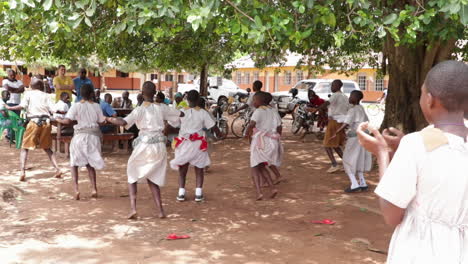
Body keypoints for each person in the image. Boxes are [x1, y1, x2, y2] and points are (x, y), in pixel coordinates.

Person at [356, 60, 468, 264]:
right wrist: (401, 150)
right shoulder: (426, 143)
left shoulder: (416, 145)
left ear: (430, 100)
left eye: (421, 93)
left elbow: (391, 214)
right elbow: (446, 162)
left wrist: (382, 153)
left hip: (422, 252)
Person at [106, 81, 183, 219]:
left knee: (132, 173)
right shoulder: (162, 108)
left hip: (145, 145)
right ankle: (160, 211)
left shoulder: (139, 110)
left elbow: (123, 122)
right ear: (155, 93)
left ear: (142, 93)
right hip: (159, 147)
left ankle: (133, 208)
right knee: (152, 178)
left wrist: (108, 119)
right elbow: (180, 114)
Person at [169, 90, 223, 202]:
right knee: (199, 169)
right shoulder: (203, 112)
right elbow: (213, 127)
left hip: (183, 143)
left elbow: (171, 124)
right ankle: (198, 194)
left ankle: (181, 193)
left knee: (182, 169)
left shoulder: (182, 111)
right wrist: (219, 134)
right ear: (198, 99)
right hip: (198, 144)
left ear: (186, 99)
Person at [5, 79, 61, 182]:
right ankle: (57, 169)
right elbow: (54, 110)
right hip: (46, 123)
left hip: (34, 122)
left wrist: (9, 107)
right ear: (40, 86)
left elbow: (22, 106)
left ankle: (22, 172)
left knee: (25, 148)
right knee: (47, 148)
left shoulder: (28, 94)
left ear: (31, 86)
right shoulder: (46, 95)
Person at [56, 84, 105, 200]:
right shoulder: (97, 106)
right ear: (92, 94)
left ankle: (76, 189)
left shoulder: (76, 106)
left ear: (79, 94)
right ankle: (94, 188)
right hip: (93, 137)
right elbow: (102, 122)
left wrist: (58, 119)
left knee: (74, 164)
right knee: (90, 164)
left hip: (79, 137)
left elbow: (67, 121)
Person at [331, 90, 371, 193]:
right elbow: (366, 121)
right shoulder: (361, 108)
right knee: (359, 159)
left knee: (347, 159)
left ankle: (354, 184)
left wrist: (337, 132)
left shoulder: (352, 110)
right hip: (363, 137)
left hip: (355, 138)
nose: (349, 98)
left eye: (351, 96)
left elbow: (346, 123)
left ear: (355, 98)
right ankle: (363, 182)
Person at [245, 91, 282, 200]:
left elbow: (252, 124)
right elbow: (279, 127)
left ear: (260, 101)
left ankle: (259, 192)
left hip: (261, 141)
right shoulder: (273, 111)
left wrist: (247, 133)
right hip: (272, 141)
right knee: (261, 166)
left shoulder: (258, 111)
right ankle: (272, 188)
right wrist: (277, 136)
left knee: (255, 167)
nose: (253, 102)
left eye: (254, 100)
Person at [319, 80, 349, 173]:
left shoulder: (335, 95)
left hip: (335, 122)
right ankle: (347, 164)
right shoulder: (345, 96)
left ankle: (334, 164)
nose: (331, 87)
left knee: (327, 144)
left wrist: (317, 108)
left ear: (337, 86)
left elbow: (326, 104)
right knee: (336, 145)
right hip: (342, 122)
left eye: (333, 85)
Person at [3, 69, 25, 140]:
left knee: (16, 119)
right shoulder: (5, 81)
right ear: (8, 75)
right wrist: (17, 89)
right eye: (10, 75)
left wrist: (13, 90)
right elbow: (7, 88)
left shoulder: (19, 81)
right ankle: (9, 135)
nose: (12, 76)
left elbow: (22, 89)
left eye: (13, 75)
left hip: (17, 103)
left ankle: (13, 135)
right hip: (9, 103)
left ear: (15, 75)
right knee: (10, 119)